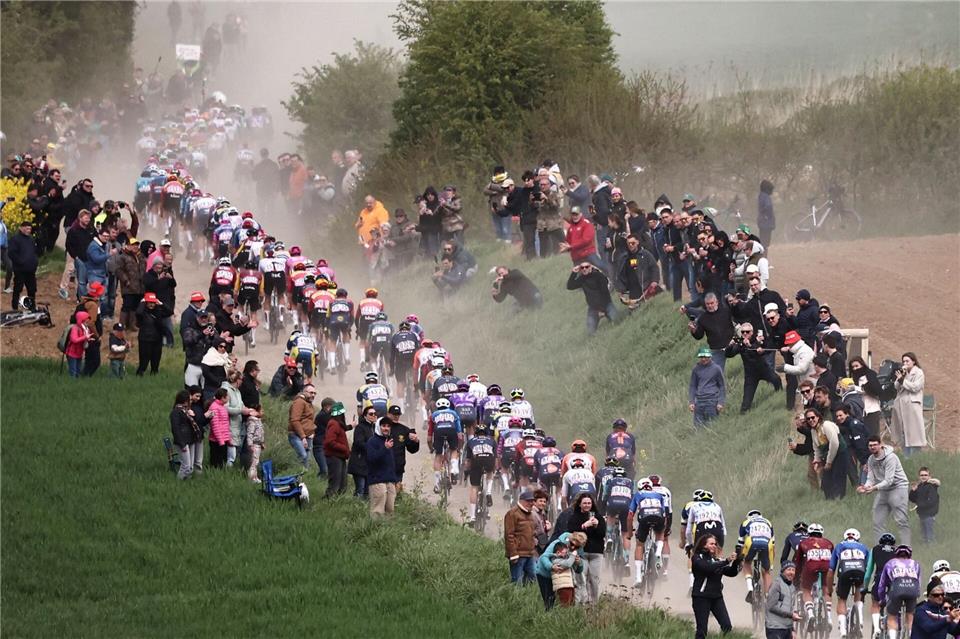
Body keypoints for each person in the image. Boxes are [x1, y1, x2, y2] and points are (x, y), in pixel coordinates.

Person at [857, 436, 911, 545]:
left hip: (898, 487)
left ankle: (906, 548)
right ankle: (880, 548)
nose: (872, 447)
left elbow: (889, 480)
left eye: (874, 445)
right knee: (877, 521)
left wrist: (874, 488)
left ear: (881, 444)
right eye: (870, 445)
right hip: (883, 490)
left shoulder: (891, 458)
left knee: (901, 521)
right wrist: (865, 487)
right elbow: (870, 478)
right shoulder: (871, 459)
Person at [691, 533, 742, 639]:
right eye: (711, 544)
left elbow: (731, 573)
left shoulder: (717, 560)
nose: (714, 546)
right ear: (704, 545)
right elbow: (707, 568)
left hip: (716, 597)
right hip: (701, 597)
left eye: (715, 544)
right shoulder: (697, 557)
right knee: (702, 631)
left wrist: (737, 561)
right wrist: (727, 561)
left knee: (727, 626)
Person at [828, 528, 869, 638]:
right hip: (860, 572)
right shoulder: (864, 547)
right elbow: (868, 568)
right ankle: (859, 617)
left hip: (845, 573)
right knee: (859, 592)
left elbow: (831, 569)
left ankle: (843, 631)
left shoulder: (839, 546)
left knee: (842, 599)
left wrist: (829, 588)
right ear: (858, 538)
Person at [794, 522, 835, 632]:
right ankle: (830, 618)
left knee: (806, 589)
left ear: (809, 533)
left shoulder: (804, 542)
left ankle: (811, 613)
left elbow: (798, 563)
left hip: (811, 567)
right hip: (826, 567)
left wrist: (797, 578)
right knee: (826, 589)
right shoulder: (829, 543)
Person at [566, 492, 605, 604]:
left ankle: (594, 603)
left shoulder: (598, 517)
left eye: (589, 503)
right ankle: (582, 602)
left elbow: (602, 534)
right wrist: (584, 526)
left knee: (594, 579)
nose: (587, 505)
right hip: (581, 552)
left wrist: (597, 525)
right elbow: (570, 531)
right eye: (585, 503)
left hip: (596, 552)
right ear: (579, 504)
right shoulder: (574, 517)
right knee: (582, 578)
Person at [877, 545, 922, 639]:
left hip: (897, 589)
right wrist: (917, 594)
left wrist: (882, 599)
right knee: (910, 616)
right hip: (912, 589)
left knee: (892, 616)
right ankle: (910, 634)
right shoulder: (915, 564)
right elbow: (918, 582)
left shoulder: (890, 563)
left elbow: (882, 584)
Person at [535, 532, 587, 610]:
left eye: (577, 547)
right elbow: (543, 557)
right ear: (570, 539)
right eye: (572, 544)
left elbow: (578, 570)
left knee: (561, 602)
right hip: (544, 574)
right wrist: (551, 566)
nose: (573, 547)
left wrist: (579, 562)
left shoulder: (576, 551)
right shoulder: (558, 544)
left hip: (560, 578)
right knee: (549, 601)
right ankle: (548, 617)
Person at [566, 261, 618, 335]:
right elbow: (570, 286)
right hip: (593, 308)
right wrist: (573, 273)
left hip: (606, 304)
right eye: (582, 267)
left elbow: (605, 294)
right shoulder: (582, 279)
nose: (584, 269)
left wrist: (601, 310)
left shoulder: (599, 276)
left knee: (617, 320)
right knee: (590, 332)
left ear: (590, 267)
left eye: (586, 267)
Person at [808, 407, 848, 500]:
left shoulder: (826, 425)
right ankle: (830, 502)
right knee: (826, 483)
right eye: (808, 419)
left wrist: (829, 462)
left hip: (839, 454)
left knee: (838, 479)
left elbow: (834, 443)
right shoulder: (813, 431)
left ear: (818, 417)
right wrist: (816, 460)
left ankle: (840, 502)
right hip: (828, 457)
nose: (811, 420)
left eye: (812, 417)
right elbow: (817, 448)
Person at [890, 353, 926, 455]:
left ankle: (916, 455)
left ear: (913, 361)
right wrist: (900, 377)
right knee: (903, 432)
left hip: (912, 405)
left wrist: (903, 381)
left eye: (907, 361)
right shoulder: (903, 373)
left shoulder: (919, 373)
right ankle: (906, 455)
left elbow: (915, 387)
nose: (905, 363)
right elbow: (896, 387)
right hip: (901, 405)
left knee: (914, 433)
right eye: (903, 361)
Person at [381, 404, 420, 495]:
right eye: (394, 414)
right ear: (388, 414)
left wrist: (415, 441)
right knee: (383, 492)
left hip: (398, 466)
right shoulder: (381, 427)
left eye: (398, 414)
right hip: (382, 466)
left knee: (396, 492)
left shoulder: (404, 430)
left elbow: (412, 450)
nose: (396, 416)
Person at [738, 509, 775, 602]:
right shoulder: (768, 523)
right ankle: (768, 596)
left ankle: (750, 588)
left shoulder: (746, 522)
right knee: (766, 571)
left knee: (746, 563)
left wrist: (740, 558)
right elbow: (773, 545)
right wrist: (771, 565)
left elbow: (740, 544)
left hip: (752, 542)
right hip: (767, 543)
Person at [504, 488, 537, 586]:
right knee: (517, 580)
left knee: (532, 578)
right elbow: (509, 535)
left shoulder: (530, 514)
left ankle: (528, 599)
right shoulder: (512, 513)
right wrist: (513, 553)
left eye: (532, 501)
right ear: (521, 501)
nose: (531, 503)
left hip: (530, 554)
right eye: (528, 501)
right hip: (518, 554)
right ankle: (515, 599)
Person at [135, 292, 173, 375]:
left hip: (157, 339)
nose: (151, 305)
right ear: (146, 303)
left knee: (155, 361)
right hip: (145, 340)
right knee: (144, 361)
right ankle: (140, 374)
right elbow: (138, 313)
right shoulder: (142, 312)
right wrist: (142, 302)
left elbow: (170, 312)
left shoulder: (158, 311)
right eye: (149, 302)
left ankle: (154, 374)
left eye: (153, 302)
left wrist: (161, 304)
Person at [366, 418, 397, 517]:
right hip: (377, 480)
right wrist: (385, 448)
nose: (386, 428)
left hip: (390, 480)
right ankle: (375, 530)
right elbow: (371, 458)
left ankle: (388, 532)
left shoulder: (389, 440)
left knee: (390, 510)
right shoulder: (372, 441)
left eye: (388, 426)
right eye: (383, 426)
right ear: (378, 427)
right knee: (378, 510)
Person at [689, 346, 726, 428]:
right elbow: (693, 386)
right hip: (699, 402)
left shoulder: (716, 368)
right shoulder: (696, 369)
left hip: (712, 401)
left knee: (713, 426)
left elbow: (722, 386)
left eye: (705, 357)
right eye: (701, 357)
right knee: (698, 427)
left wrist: (720, 402)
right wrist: (691, 402)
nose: (703, 359)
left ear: (710, 356)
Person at [322, 402, 351, 497]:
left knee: (342, 484)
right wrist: (344, 448)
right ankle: (328, 501)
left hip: (340, 457)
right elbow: (329, 441)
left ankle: (338, 502)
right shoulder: (334, 424)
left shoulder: (337, 424)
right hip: (334, 457)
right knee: (335, 484)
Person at [8, 220, 38, 311]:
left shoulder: (31, 240)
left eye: (30, 229)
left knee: (32, 290)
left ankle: (31, 307)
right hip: (20, 270)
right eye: (27, 228)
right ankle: (14, 307)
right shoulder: (15, 239)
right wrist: (20, 262)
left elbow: (34, 252)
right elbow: (12, 253)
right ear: (21, 228)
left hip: (31, 270)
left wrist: (35, 262)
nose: (28, 230)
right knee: (18, 289)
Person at [765, 561, 801, 639]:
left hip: (787, 629)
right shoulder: (776, 585)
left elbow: (790, 608)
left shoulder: (792, 587)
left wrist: (792, 630)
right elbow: (771, 607)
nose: (791, 572)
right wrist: (791, 615)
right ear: (783, 571)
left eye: (793, 570)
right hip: (774, 628)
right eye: (789, 569)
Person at [287, 385, 316, 470]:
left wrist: (312, 432)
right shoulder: (299, 402)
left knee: (307, 460)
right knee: (303, 456)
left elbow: (309, 420)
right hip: (297, 435)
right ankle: (293, 472)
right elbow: (295, 420)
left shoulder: (308, 403)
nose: (313, 395)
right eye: (311, 393)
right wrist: (303, 437)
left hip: (308, 436)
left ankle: (303, 478)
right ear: (304, 392)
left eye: (314, 393)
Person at [349, 407, 376, 498]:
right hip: (359, 462)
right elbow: (359, 443)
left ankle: (363, 511)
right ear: (365, 416)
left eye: (375, 414)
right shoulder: (360, 427)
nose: (373, 416)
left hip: (369, 465)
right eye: (371, 414)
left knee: (367, 492)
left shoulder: (375, 428)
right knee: (360, 489)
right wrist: (372, 447)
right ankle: (355, 509)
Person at [908, 467, 940, 544]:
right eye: (922, 475)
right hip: (922, 514)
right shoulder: (920, 486)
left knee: (929, 535)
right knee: (924, 534)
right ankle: (927, 548)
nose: (923, 477)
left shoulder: (931, 486)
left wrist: (919, 505)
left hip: (929, 514)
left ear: (929, 476)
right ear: (919, 476)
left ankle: (932, 548)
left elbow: (932, 501)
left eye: (925, 475)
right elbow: (913, 499)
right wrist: (913, 491)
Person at [205, 387, 231, 469]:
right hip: (217, 440)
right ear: (223, 397)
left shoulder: (222, 406)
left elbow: (225, 424)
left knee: (223, 460)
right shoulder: (214, 407)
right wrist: (221, 440)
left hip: (223, 439)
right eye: (227, 396)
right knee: (216, 462)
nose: (228, 398)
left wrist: (228, 438)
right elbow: (215, 426)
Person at [245, 405, 265, 483]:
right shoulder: (252, 421)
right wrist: (250, 444)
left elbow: (260, 433)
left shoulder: (258, 421)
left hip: (258, 444)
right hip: (254, 444)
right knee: (253, 462)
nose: (263, 412)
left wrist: (262, 443)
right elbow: (250, 433)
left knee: (256, 461)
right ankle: (251, 478)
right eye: (261, 410)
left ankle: (255, 477)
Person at [757, 179, 776, 249]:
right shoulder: (766, 197)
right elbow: (768, 206)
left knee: (762, 243)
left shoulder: (761, 196)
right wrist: (768, 216)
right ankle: (764, 258)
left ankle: (762, 258)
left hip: (762, 222)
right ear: (767, 189)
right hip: (766, 223)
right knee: (765, 244)